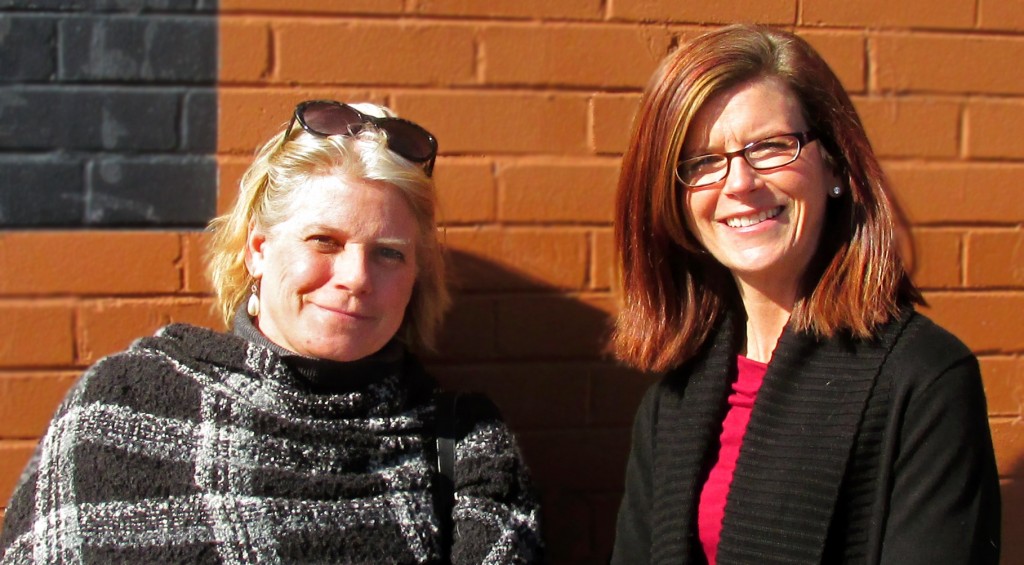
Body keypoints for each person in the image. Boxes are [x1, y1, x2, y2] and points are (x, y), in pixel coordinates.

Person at [0, 100, 542, 564]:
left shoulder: (465, 446)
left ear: (416, 276)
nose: (355, 279)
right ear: (258, 250)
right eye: (324, 241)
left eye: (389, 254)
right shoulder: (122, 404)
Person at [609, 25, 1000, 564]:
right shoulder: (674, 402)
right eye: (702, 163)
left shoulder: (925, 381)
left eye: (769, 147)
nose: (738, 183)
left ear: (834, 166)